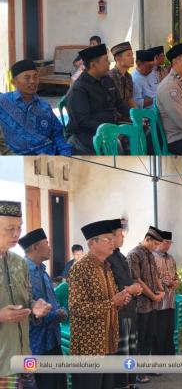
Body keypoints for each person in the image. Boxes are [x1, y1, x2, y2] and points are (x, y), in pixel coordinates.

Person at [68, 219, 132, 389]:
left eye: (112, 239)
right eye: (107, 240)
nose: (112, 243)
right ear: (91, 243)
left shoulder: (107, 266)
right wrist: (112, 302)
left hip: (109, 340)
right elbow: (76, 307)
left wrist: (121, 300)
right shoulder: (80, 268)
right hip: (90, 344)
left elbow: (112, 301)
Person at [0, 201, 52, 389]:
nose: (16, 234)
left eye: (19, 227)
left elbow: (27, 299)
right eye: (9, 228)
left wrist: (35, 307)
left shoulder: (19, 263)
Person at [19, 228, 67, 389]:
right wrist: (55, 315)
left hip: (53, 338)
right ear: (35, 247)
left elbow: (52, 300)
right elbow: (24, 307)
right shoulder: (22, 272)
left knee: (57, 382)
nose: (50, 247)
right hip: (36, 343)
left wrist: (60, 311)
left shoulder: (43, 271)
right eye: (46, 243)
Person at [66, 44, 130, 154]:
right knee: (115, 145)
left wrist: (134, 115)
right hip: (86, 134)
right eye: (106, 60)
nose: (109, 63)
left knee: (142, 131)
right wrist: (111, 131)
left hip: (110, 127)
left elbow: (119, 103)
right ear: (93, 65)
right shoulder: (79, 89)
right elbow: (83, 121)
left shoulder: (107, 80)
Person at [0, 60, 72, 156]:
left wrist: (65, 154)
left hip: (47, 156)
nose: (32, 81)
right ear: (13, 82)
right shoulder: (3, 102)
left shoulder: (44, 106)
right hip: (15, 159)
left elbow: (57, 134)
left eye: (35, 77)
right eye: (27, 78)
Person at [106, 219, 142, 389]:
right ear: (111, 237)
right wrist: (130, 289)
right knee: (122, 349)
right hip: (119, 310)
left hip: (130, 308)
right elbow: (112, 286)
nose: (123, 238)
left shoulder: (120, 256)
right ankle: (122, 384)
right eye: (120, 235)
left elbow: (127, 280)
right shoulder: (107, 259)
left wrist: (135, 288)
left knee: (131, 347)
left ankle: (130, 381)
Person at [126, 226, 165, 385]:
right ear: (147, 239)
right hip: (140, 305)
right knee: (140, 338)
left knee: (149, 336)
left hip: (152, 304)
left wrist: (161, 290)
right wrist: (154, 296)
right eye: (155, 244)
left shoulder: (150, 254)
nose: (156, 247)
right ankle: (137, 372)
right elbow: (137, 280)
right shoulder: (134, 254)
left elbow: (155, 275)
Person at [153, 230, 179, 355]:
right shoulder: (152, 257)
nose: (168, 245)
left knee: (170, 331)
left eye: (170, 243)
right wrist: (167, 282)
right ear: (159, 242)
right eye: (166, 242)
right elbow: (152, 277)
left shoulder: (171, 258)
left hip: (170, 301)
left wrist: (176, 281)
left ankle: (170, 357)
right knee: (159, 332)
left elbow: (176, 275)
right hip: (159, 303)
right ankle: (159, 359)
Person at [109, 42, 138, 109]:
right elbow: (112, 105)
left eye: (132, 55)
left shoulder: (128, 76)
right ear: (118, 58)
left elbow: (129, 99)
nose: (132, 58)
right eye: (128, 55)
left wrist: (137, 112)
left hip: (126, 112)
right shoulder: (111, 77)